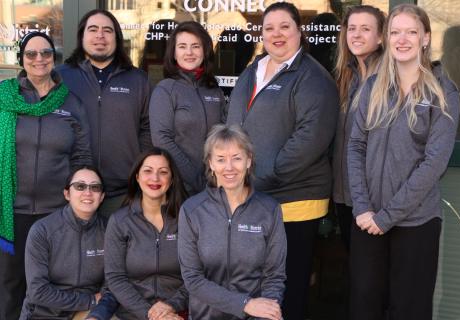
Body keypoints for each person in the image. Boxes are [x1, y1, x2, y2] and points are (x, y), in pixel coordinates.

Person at [347, 4, 460, 319]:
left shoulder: (442, 92)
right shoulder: (373, 87)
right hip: (367, 220)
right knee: (364, 306)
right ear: (386, 37)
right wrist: (362, 207)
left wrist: (387, 217)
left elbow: (434, 164)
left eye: (411, 32)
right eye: (395, 32)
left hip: (416, 224)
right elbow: (356, 145)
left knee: (408, 309)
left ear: (425, 38)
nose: (403, 39)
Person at [226, 2, 338, 318]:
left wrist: (259, 177)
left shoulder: (313, 79)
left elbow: (308, 141)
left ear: (298, 31)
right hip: (254, 198)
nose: (277, 34)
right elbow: (234, 124)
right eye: (269, 28)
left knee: (286, 290)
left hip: (294, 202)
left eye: (285, 27)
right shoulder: (254, 69)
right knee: (255, 290)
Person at [0, 31, 92, 320]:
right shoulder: (4, 97)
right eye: (31, 54)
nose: (39, 59)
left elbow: (82, 157)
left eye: (46, 53)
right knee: (10, 286)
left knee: (51, 287)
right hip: (10, 212)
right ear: (21, 59)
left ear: (54, 58)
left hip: (56, 213)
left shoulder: (71, 102)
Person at [178, 124, 287, 320]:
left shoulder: (269, 210)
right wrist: (245, 304)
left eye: (237, 158)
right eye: (221, 159)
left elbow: (274, 277)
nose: (229, 167)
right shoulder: (191, 210)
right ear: (210, 163)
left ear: (248, 161)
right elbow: (193, 279)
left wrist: (267, 312)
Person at [57, 9, 151, 216]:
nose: (100, 35)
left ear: (116, 38)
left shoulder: (138, 80)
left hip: (123, 194)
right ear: (82, 36)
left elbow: (147, 130)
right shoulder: (60, 78)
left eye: (107, 30)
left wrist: (138, 171)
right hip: (74, 191)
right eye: (93, 29)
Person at [20, 166, 117, 320]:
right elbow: (38, 291)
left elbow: (113, 285)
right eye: (80, 186)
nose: (88, 192)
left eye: (95, 187)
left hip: (88, 312)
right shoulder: (42, 231)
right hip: (44, 315)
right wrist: (89, 300)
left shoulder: (111, 231)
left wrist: (97, 315)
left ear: (102, 196)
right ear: (67, 194)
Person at [104, 148, 188, 320]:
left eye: (163, 172)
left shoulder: (188, 218)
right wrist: (150, 315)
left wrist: (172, 305)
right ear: (137, 177)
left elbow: (197, 274)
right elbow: (115, 278)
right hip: (132, 313)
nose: (155, 178)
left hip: (178, 311)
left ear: (171, 179)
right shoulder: (120, 221)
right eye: (147, 171)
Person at [149, 21, 224, 196]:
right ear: (174, 53)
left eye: (195, 46)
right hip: (179, 187)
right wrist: (194, 178)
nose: (189, 52)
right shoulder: (166, 89)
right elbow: (161, 139)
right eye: (182, 46)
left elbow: (223, 135)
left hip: (214, 185)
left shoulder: (214, 89)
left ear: (204, 51)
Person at [332, 5, 385, 250]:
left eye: (365, 29)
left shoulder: (387, 80)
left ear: (381, 36)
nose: (356, 35)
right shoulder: (347, 77)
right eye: (352, 28)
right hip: (343, 196)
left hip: (371, 201)